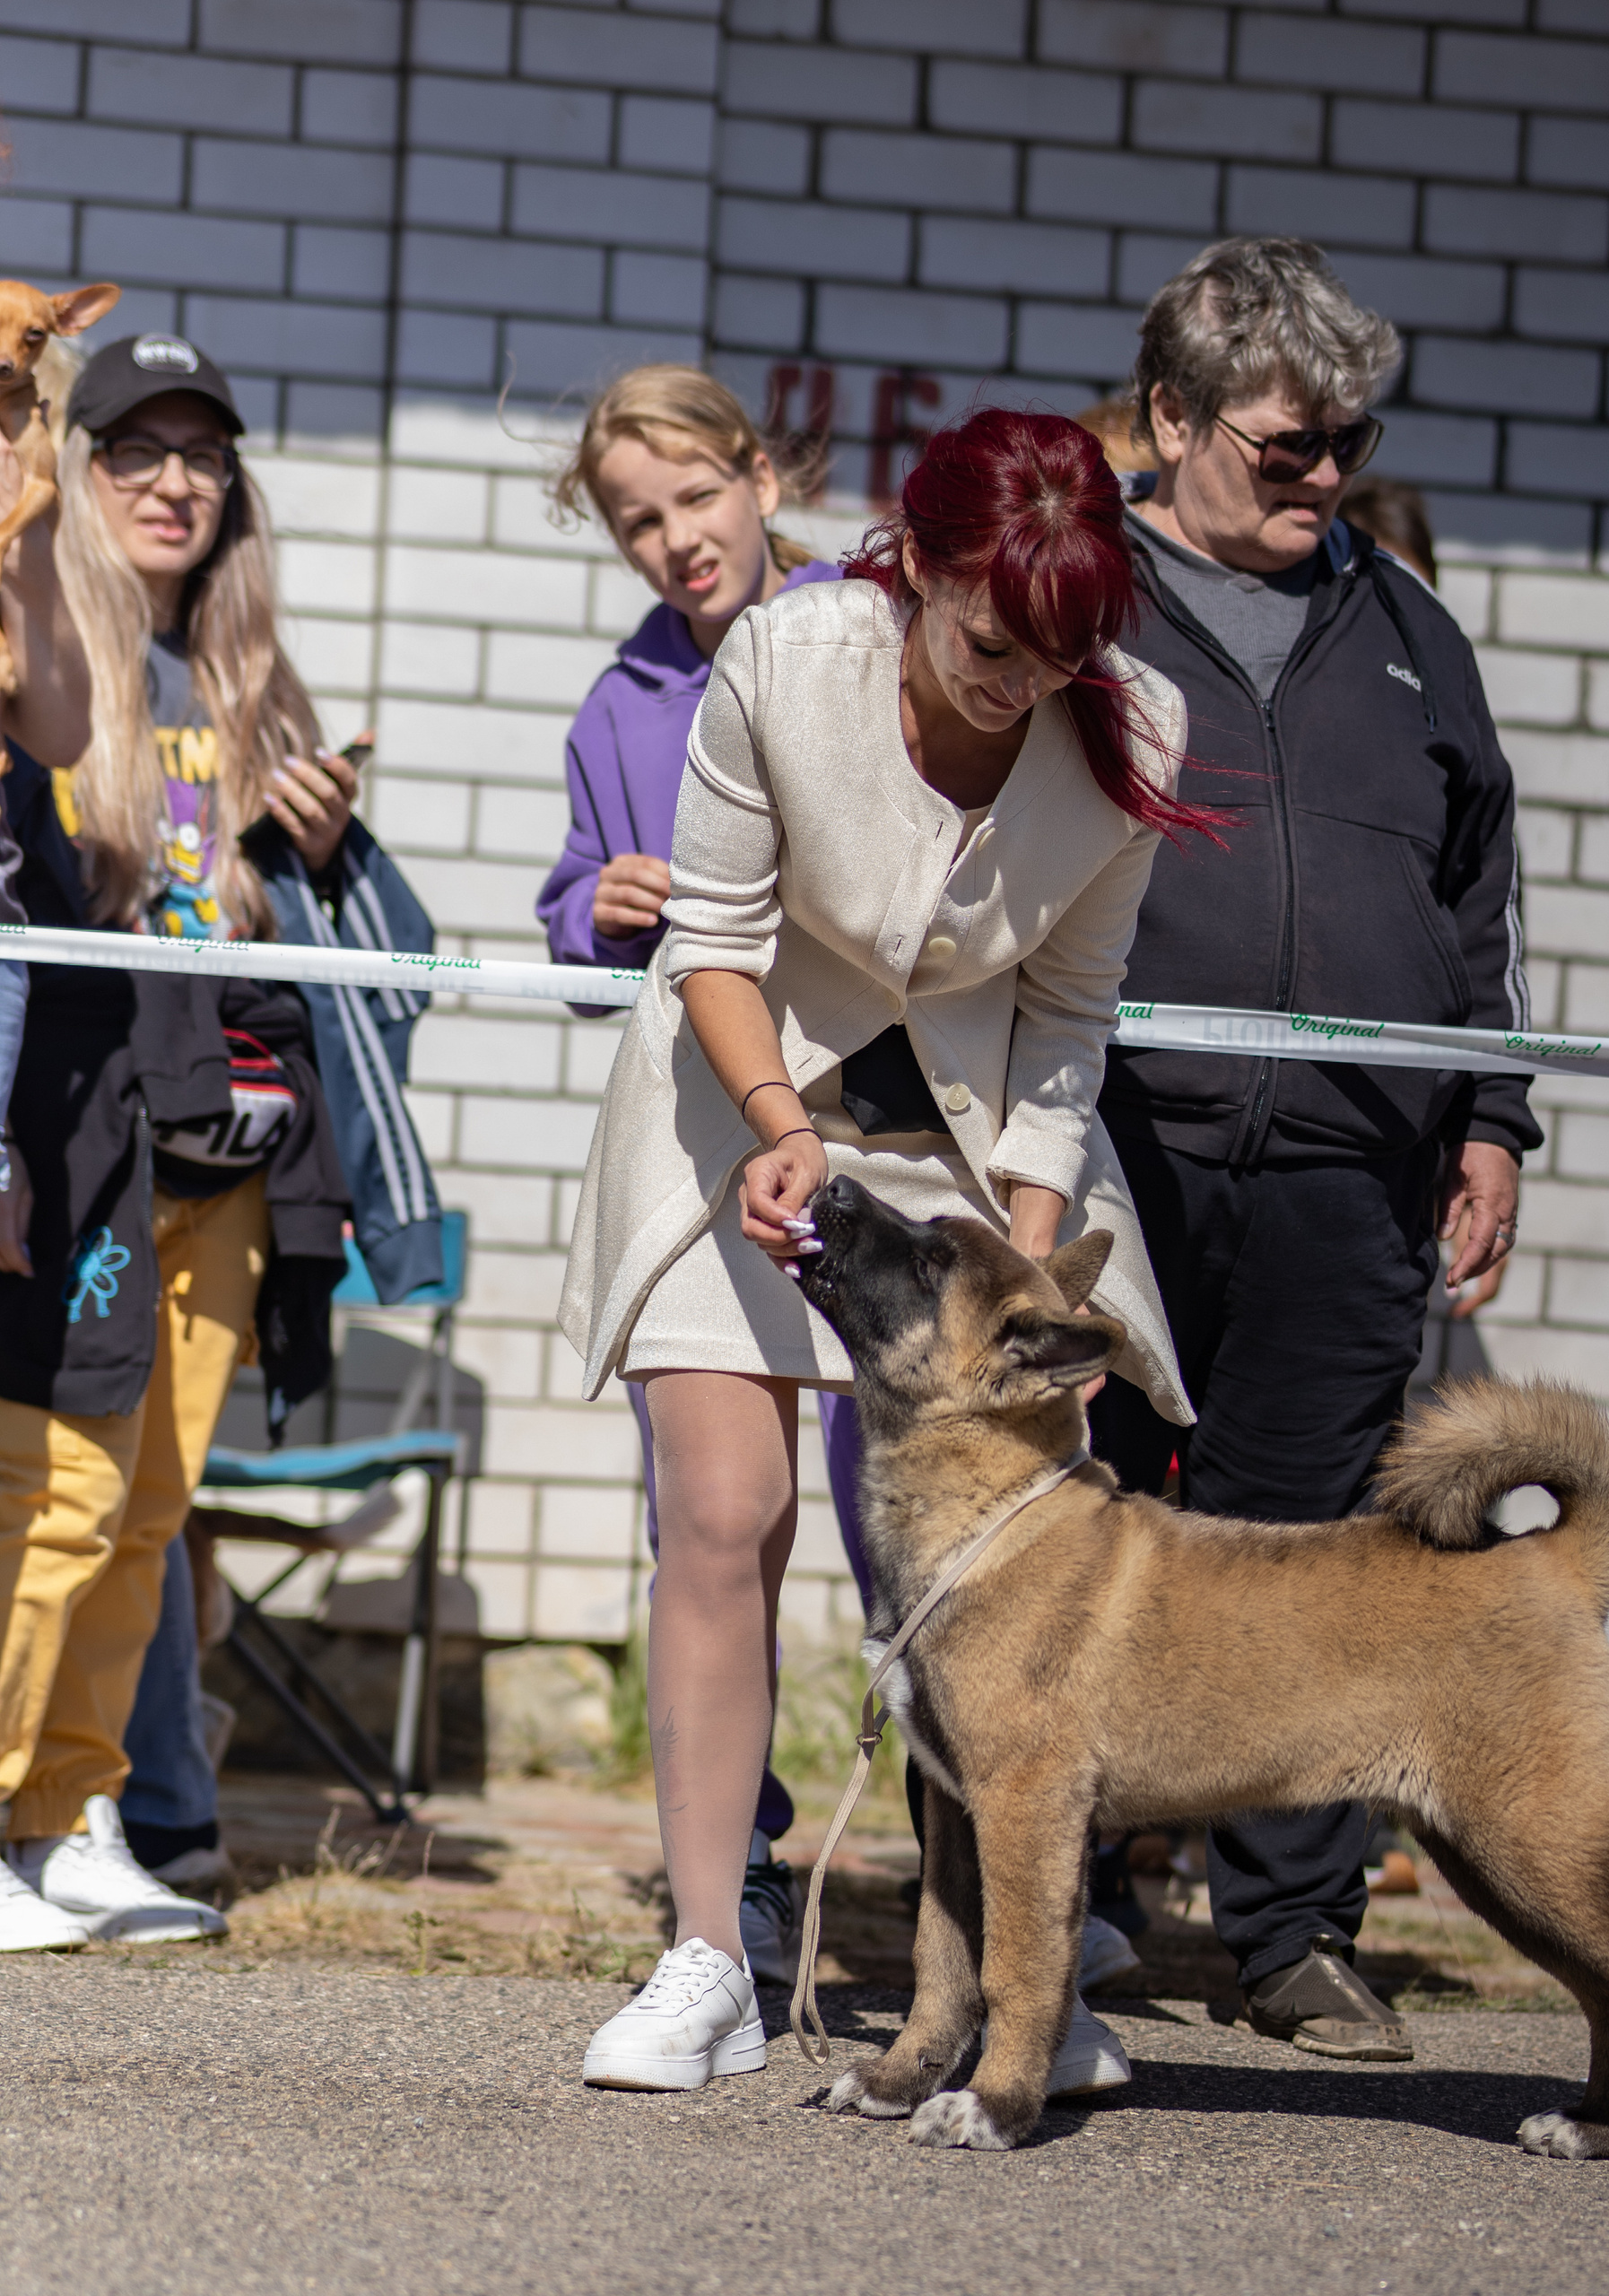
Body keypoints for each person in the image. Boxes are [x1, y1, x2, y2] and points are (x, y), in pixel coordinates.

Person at [558, 406, 1202, 2096]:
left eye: (1059, 656)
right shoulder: (786, 657)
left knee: (992, 1560)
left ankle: (1019, 1982)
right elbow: (710, 940)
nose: (1021, 684)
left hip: (975, 1146)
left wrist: (1030, 1270)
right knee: (726, 1510)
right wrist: (779, 1124)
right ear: (914, 567)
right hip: (739, 1095)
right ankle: (711, 1958)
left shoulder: (1136, 722)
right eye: (991, 642)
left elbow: (1068, 1017)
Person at [1083, 238, 1538, 2061]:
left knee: (1311, 1565)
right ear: (1172, 417)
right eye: (1288, 445)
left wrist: (1489, 1115)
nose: (1327, 475)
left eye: (1351, 442)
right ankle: (1061, 1899)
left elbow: (1477, 893)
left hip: (1353, 1171)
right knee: (1083, 1528)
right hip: (1111, 1154)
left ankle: (1291, 1936)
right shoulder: (1077, 592)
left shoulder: (1409, 629)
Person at [0, 331, 361, 1948]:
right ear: (72, 471)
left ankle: (71, 1814)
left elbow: (292, 950)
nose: (174, 482)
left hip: (225, 1154)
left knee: (148, 1515)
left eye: (203, 454)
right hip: (83, 1140)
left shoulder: (247, 677)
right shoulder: (41, 657)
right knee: (56, 1498)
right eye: (136, 450)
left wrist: (322, 853)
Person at [536, 364, 844, 1978]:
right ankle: (742, 1879)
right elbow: (572, 908)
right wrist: (598, 910)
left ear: (764, 479)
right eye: (635, 521)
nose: (675, 540)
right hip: (710, 1145)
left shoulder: (877, 626)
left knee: (916, 1514)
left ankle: (996, 1879)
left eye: (696, 497)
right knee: (720, 1519)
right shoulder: (624, 701)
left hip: (885, 1124)